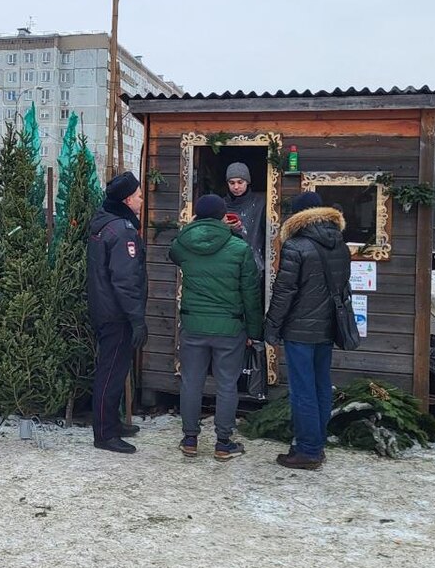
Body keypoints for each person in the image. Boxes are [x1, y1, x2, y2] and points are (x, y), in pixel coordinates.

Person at [168, 194, 262, 460]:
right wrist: (254, 332)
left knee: (191, 382)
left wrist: (192, 226)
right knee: (227, 385)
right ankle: (223, 443)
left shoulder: (184, 244)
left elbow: (173, 251)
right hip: (230, 328)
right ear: (223, 216)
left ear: (197, 216)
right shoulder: (239, 248)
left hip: (193, 325)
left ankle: (190, 439)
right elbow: (251, 294)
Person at [263, 191, 351, 470]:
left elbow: (284, 291)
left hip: (299, 330)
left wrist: (271, 326)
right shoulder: (340, 244)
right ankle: (317, 443)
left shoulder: (296, 246)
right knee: (321, 384)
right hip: (327, 327)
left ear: (299, 216)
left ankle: (308, 450)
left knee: (302, 390)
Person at [86, 171, 147, 454]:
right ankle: (105, 433)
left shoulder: (105, 224)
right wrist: (136, 319)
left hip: (105, 308)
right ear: (126, 200)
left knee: (114, 369)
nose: (142, 201)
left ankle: (111, 422)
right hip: (117, 313)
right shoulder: (122, 231)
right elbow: (125, 280)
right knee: (110, 373)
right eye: (138, 196)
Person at [223, 162, 267, 274]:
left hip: (254, 262)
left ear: (247, 182)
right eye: (232, 183)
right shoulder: (221, 205)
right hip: (226, 264)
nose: (236, 187)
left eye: (240, 182)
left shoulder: (261, 201)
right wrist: (223, 226)